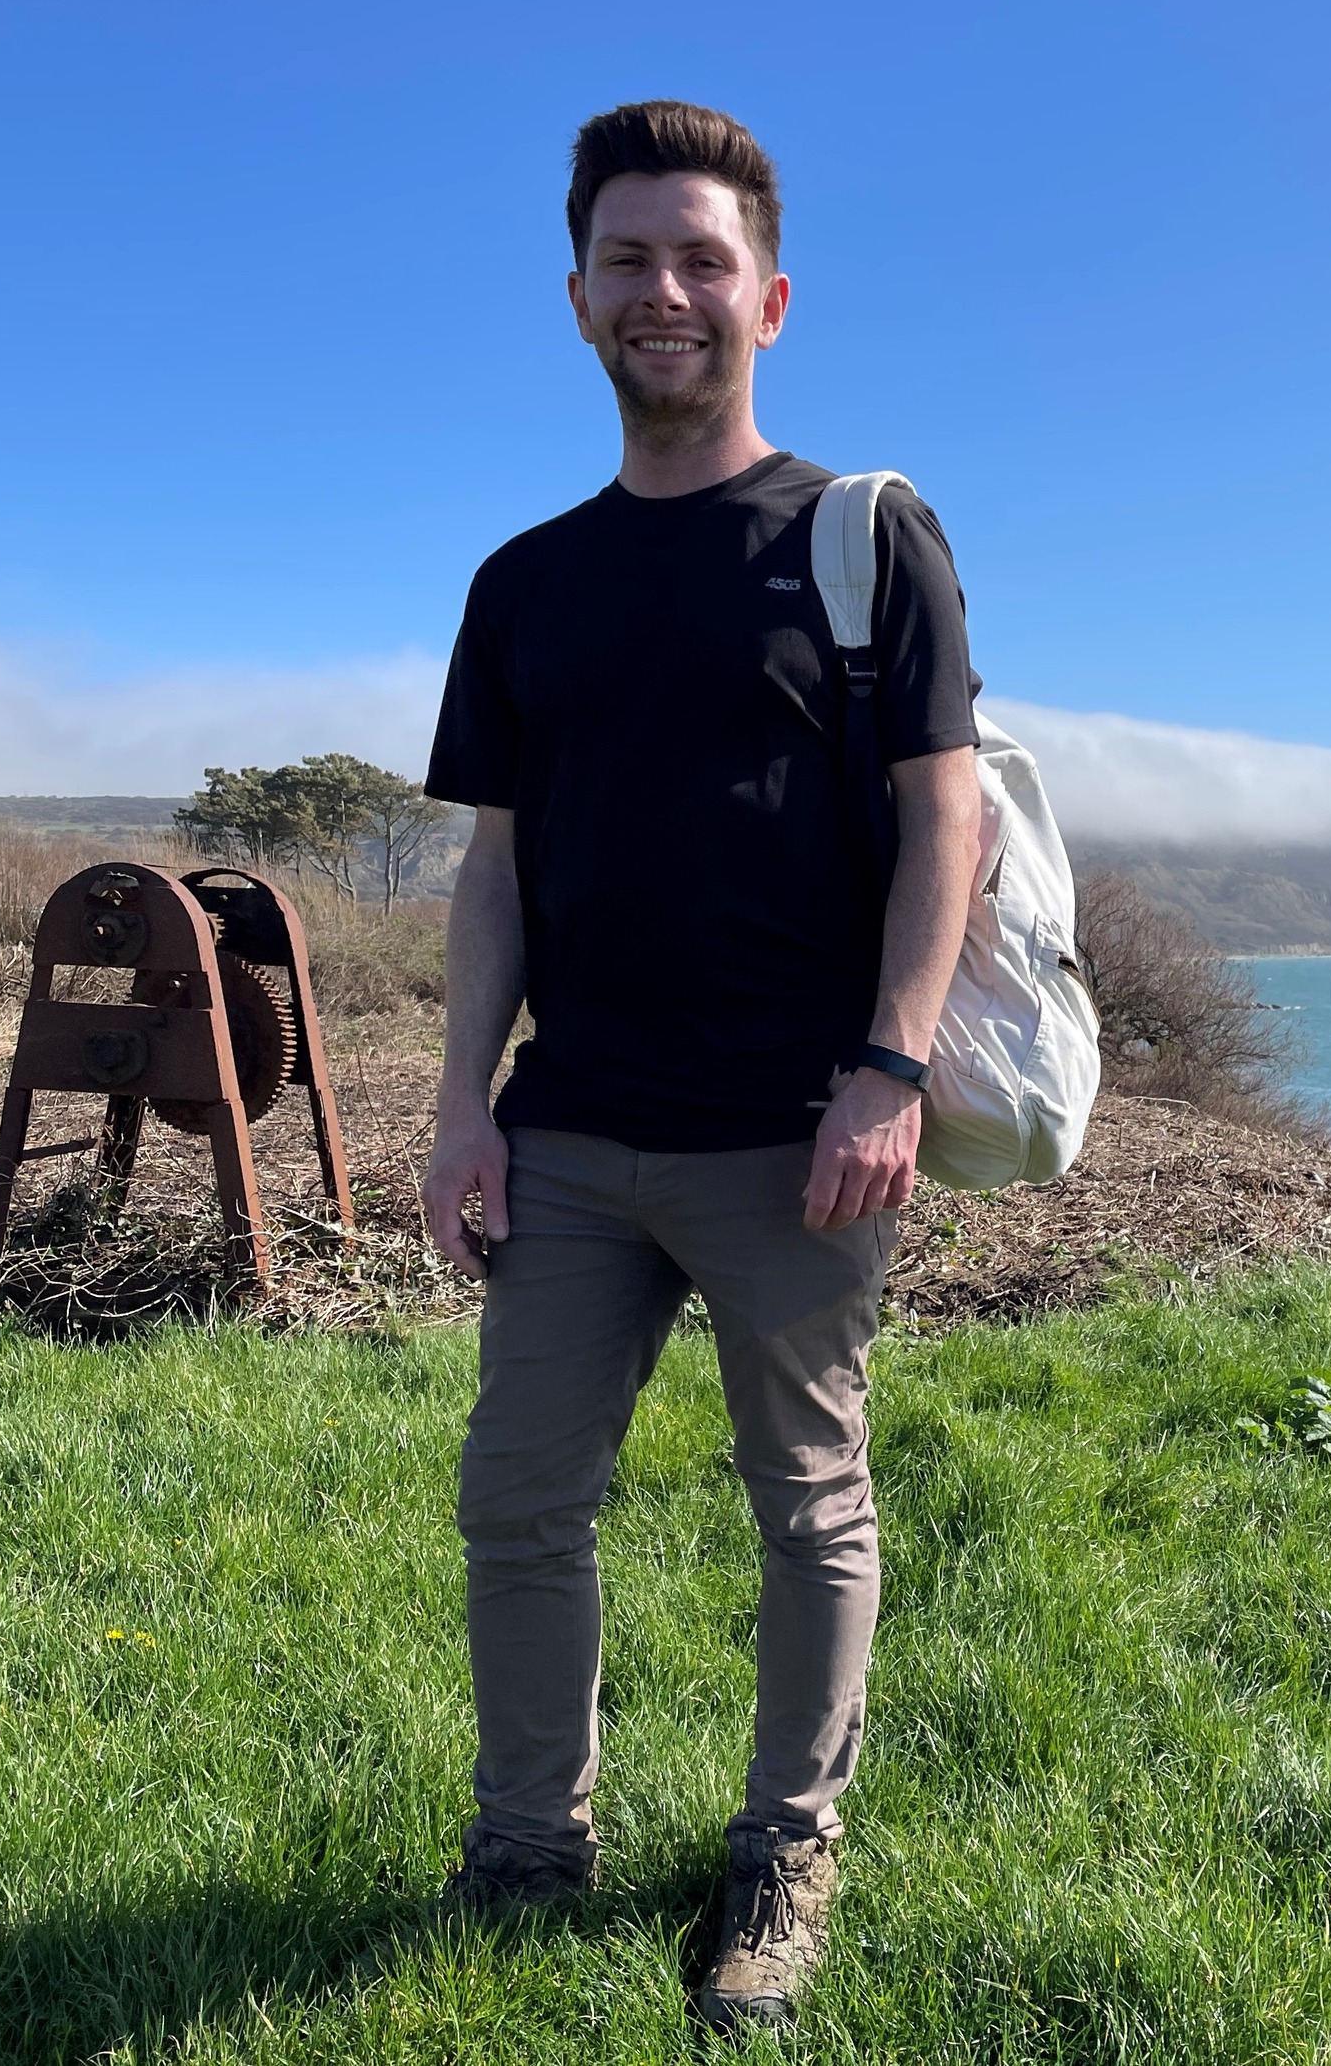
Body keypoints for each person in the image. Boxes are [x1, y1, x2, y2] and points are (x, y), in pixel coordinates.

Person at [419, 98, 984, 2032]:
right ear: (576, 294)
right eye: (629, 260)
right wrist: (456, 1112)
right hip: (571, 1131)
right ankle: (524, 1850)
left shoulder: (868, 540)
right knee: (518, 1499)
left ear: (772, 296)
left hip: (797, 1136)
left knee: (805, 1497)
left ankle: (784, 1857)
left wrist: (890, 1067)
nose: (667, 293)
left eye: (703, 261)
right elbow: (495, 872)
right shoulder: (523, 586)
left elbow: (946, 818)